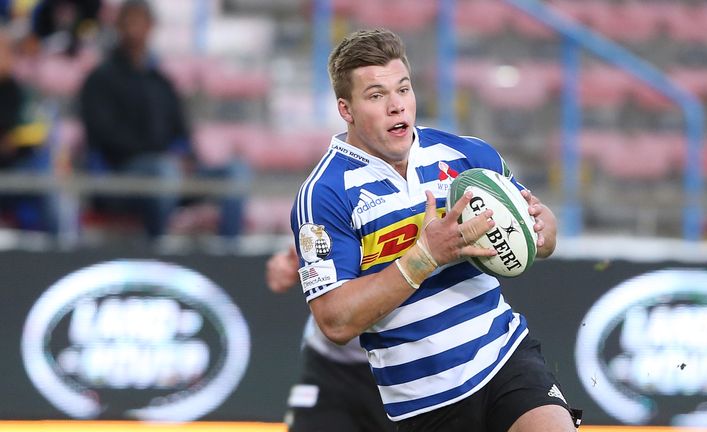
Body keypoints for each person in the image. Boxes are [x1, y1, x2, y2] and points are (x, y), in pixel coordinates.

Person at [290, 28, 581, 431]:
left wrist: (544, 231)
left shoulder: (466, 154)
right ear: (347, 108)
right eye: (376, 96)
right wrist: (425, 257)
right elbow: (336, 321)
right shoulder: (324, 194)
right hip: (423, 400)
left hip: (505, 357)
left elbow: (533, 231)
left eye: (403, 90)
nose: (397, 107)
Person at [78, 0, 250, 242]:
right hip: (121, 175)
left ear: (151, 27)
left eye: (140, 22)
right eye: (128, 22)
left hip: (171, 173)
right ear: (117, 26)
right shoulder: (100, 79)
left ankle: (229, 251)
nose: (134, 29)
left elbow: (181, 133)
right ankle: (160, 249)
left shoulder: (161, 82)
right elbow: (102, 135)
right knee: (163, 171)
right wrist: (159, 156)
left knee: (235, 172)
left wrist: (186, 157)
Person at [266, 246, 396, 432]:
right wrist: (295, 263)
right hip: (330, 365)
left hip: (396, 363)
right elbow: (306, 246)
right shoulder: (327, 217)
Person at [0, 23, 61, 234]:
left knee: (45, 175)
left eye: (5, 50)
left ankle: (60, 246)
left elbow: (29, 132)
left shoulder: (18, 91)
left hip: (17, 168)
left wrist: (16, 140)